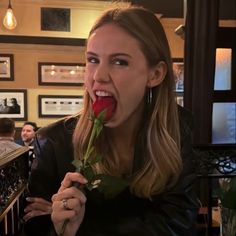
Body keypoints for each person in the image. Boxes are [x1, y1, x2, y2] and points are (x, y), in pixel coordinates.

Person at [23, 6, 200, 236]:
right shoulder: (52, 144)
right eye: (93, 59)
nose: (98, 76)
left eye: (119, 62)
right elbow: (35, 228)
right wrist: (59, 230)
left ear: (155, 74)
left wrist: (85, 229)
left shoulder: (177, 128)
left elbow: (180, 224)